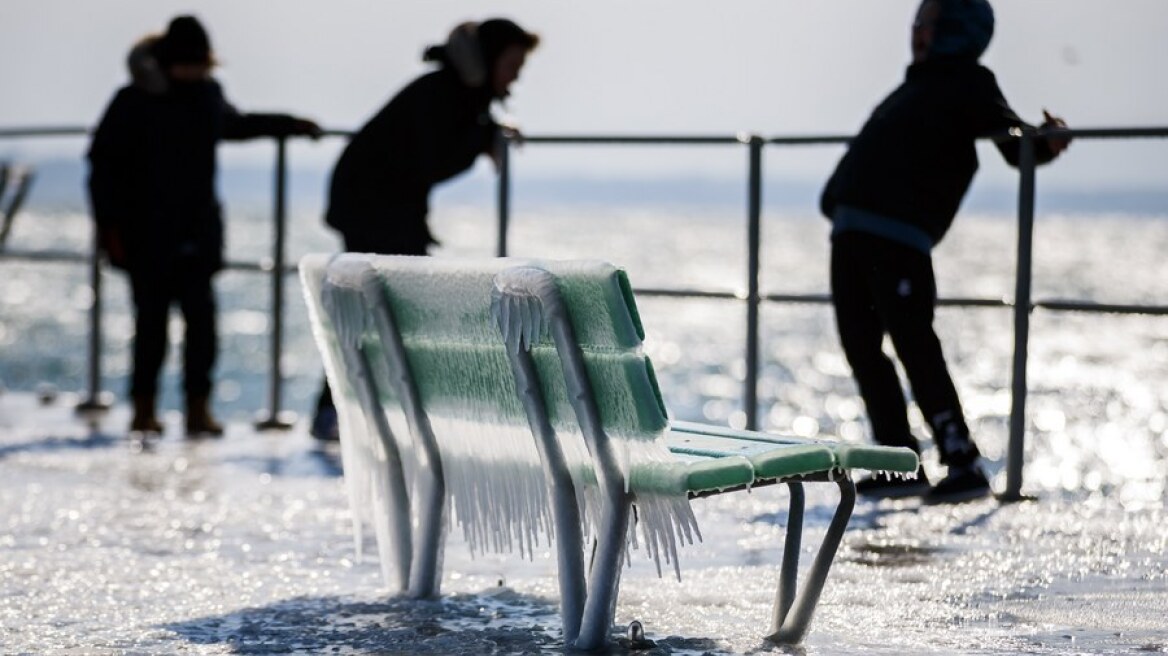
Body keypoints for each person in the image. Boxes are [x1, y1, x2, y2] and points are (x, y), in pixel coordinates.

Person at [819, 0, 1070, 503]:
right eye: (917, 23)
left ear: (956, 31)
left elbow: (1013, 142)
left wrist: (1046, 140)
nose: (916, 32)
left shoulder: (970, 83)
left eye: (926, 24)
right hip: (852, 234)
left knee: (914, 343)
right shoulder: (914, 86)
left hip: (897, 240)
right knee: (863, 348)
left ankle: (962, 459)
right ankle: (898, 461)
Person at [88, 15, 321, 437]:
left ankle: (198, 409)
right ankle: (144, 410)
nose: (197, 72)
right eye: (190, 64)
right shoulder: (133, 100)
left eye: (202, 64)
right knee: (151, 327)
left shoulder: (208, 96)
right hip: (146, 236)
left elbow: (238, 124)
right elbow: (101, 166)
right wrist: (109, 228)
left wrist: (291, 124)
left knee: (202, 327)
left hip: (197, 231)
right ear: (168, 61)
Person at [310, 18, 539, 440]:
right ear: (487, 61)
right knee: (384, 308)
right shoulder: (443, 94)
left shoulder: (456, 95)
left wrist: (485, 131)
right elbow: (435, 160)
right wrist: (482, 136)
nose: (516, 75)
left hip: (380, 206)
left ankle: (350, 409)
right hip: (374, 207)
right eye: (511, 64)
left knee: (379, 308)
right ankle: (344, 410)